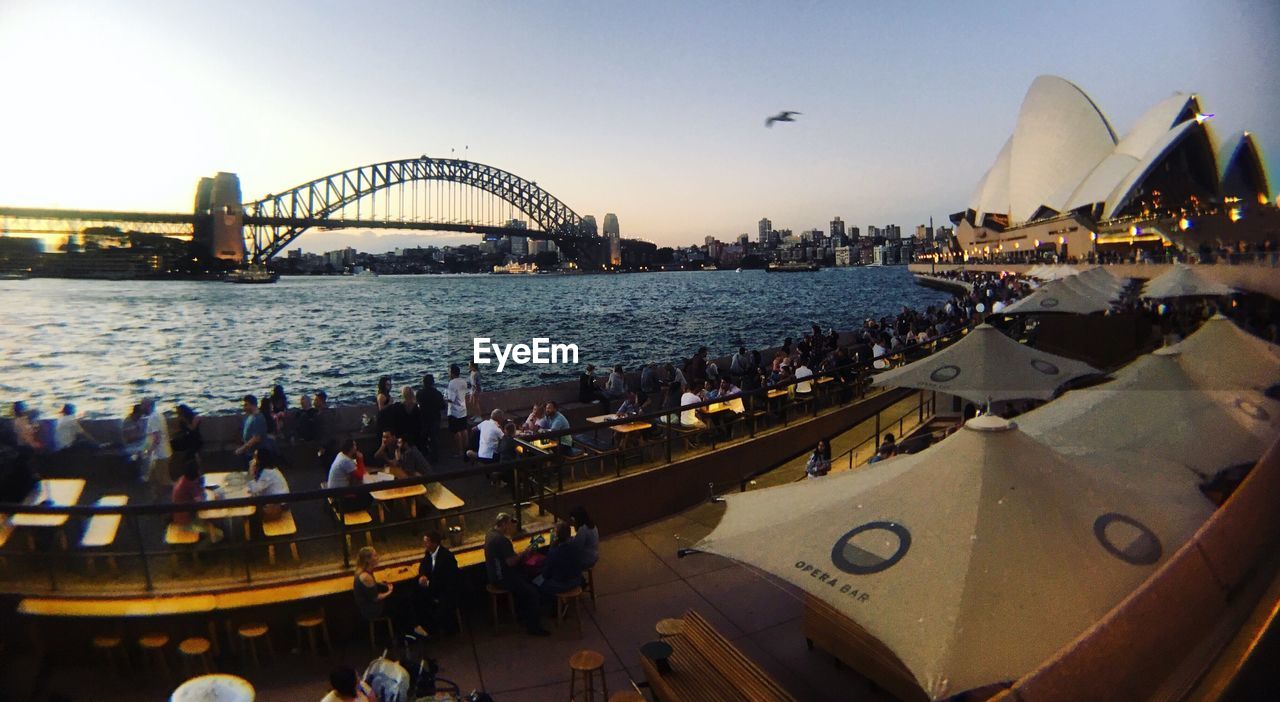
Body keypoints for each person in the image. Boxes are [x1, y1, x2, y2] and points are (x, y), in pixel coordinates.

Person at [485, 513, 549, 636]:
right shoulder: (502, 540)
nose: (511, 527)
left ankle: (522, 615)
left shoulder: (490, 534)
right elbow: (511, 562)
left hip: (494, 576)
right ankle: (533, 626)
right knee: (532, 592)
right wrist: (524, 553)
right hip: (504, 579)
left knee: (526, 581)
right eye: (510, 524)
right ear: (503, 524)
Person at [352, 546, 425, 640]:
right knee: (404, 601)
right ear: (368, 560)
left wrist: (383, 584)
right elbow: (375, 598)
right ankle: (411, 629)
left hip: (369, 606)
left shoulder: (361, 572)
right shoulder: (366, 577)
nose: (377, 557)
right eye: (375, 555)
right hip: (373, 609)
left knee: (402, 596)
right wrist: (389, 591)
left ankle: (410, 628)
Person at [415, 531, 461, 636]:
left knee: (423, 600)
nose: (424, 544)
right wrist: (422, 575)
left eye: (426, 542)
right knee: (415, 596)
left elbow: (446, 580)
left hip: (446, 592)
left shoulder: (446, 557)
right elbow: (423, 565)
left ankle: (434, 632)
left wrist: (428, 584)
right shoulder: (429, 553)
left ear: (434, 543)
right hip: (434, 588)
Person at [170, 458, 223, 543]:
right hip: (186, 522)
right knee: (218, 534)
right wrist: (215, 497)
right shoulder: (190, 484)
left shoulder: (184, 479)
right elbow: (201, 502)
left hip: (183, 516)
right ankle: (198, 551)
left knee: (214, 522)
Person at [535, 521, 584, 596]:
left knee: (536, 581)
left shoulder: (554, 552)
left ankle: (548, 604)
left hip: (562, 585)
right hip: (577, 580)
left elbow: (546, 574)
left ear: (557, 535)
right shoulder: (577, 545)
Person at [328, 438, 371, 511]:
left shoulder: (341, 454)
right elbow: (360, 476)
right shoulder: (345, 461)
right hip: (340, 495)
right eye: (355, 445)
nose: (356, 447)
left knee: (360, 489)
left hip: (336, 490)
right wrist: (360, 459)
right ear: (351, 448)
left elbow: (355, 470)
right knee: (368, 495)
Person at [247, 447, 290, 518]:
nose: (253, 460)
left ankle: (255, 527)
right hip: (278, 502)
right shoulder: (272, 470)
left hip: (278, 506)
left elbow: (253, 489)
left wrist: (251, 470)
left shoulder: (268, 473)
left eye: (255, 457)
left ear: (260, 460)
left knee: (252, 512)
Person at [234, 394, 273, 468]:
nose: (244, 407)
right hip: (249, 452)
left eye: (246, 405)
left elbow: (256, 438)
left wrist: (241, 449)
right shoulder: (250, 416)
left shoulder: (258, 418)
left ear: (252, 405)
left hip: (256, 453)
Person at [141, 398, 173, 486]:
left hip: (160, 455)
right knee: (157, 479)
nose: (141, 408)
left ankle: (170, 496)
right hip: (164, 452)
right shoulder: (159, 415)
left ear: (148, 406)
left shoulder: (153, 418)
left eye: (142, 405)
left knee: (163, 481)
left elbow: (156, 437)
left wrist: (148, 452)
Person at [415, 374, 446, 462]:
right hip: (435, 418)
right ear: (433, 382)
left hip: (424, 419)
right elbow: (443, 406)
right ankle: (434, 458)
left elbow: (418, 404)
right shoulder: (437, 393)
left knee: (423, 438)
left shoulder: (419, 393)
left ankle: (424, 456)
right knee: (434, 439)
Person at [444, 365, 470, 457]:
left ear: (452, 373)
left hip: (454, 411)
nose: (448, 373)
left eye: (449, 371)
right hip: (463, 409)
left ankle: (459, 452)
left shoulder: (451, 383)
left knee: (456, 432)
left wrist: (445, 398)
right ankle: (466, 450)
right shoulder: (464, 381)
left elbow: (451, 399)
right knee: (464, 430)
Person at [170, 404, 203, 469]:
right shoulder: (181, 420)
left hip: (195, 439)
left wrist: (184, 420)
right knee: (172, 443)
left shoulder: (194, 418)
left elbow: (192, 428)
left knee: (192, 450)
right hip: (187, 438)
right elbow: (183, 431)